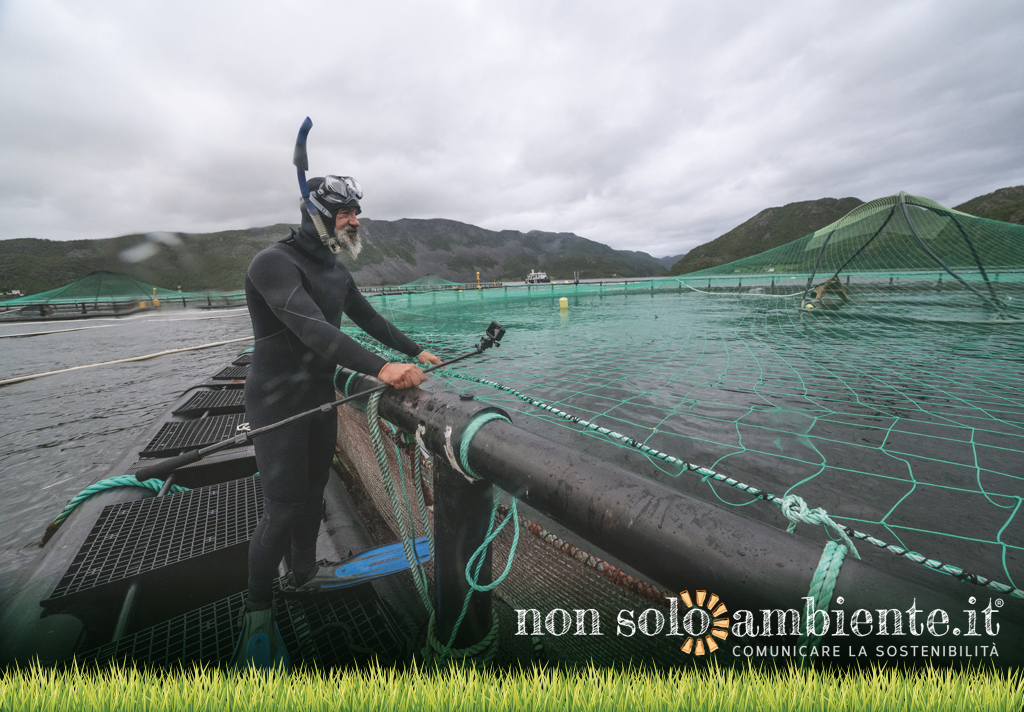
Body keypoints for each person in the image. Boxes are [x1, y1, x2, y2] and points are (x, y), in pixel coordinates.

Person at [231, 174, 440, 669]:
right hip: (277, 403)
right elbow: (311, 328)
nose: (355, 220)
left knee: (313, 490)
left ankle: (303, 573)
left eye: (354, 211)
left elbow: (367, 318)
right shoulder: (273, 263)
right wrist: (382, 368)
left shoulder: (332, 268)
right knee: (282, 508)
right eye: (346, 212)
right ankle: (257, 612)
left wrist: (412, 350)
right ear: (317, 215)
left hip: (319, 397)